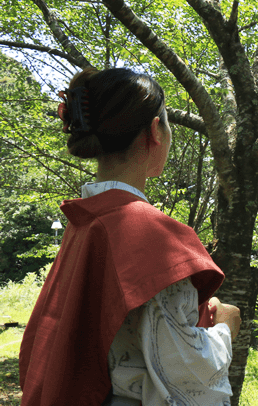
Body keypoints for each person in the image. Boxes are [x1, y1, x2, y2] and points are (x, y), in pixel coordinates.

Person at [19, 68, 241, 406]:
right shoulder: (149, 233)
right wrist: (225, 328)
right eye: (167, 123)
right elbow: (187, 375)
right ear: (155, 131)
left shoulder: (87, 222)